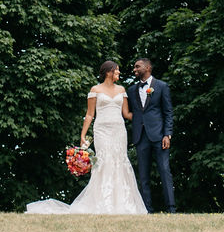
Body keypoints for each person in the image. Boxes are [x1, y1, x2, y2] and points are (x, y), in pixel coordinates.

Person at [25, 61, 147, 214]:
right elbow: (90, 114)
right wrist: (83, 135)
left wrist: (145, 116)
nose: (119, 73)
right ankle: (101, 203)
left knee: (119, 161)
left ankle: (121, 204)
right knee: (103, 162)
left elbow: (127, 114)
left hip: (118, 130)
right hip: (102, 130)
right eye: (116, 70)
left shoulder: (121, 89)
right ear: (108, 72)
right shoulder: (95, 89)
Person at [127, 57, 175, 213]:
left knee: (164, 170)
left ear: (147, 68)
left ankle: (171, 208)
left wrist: (167, 134)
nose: (134, 69)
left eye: (137, 67)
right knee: (143, 175)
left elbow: (168, 112)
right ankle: (147, 209)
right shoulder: (132, 90)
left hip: (159, 136)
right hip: (140, 137)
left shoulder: (161, 86)